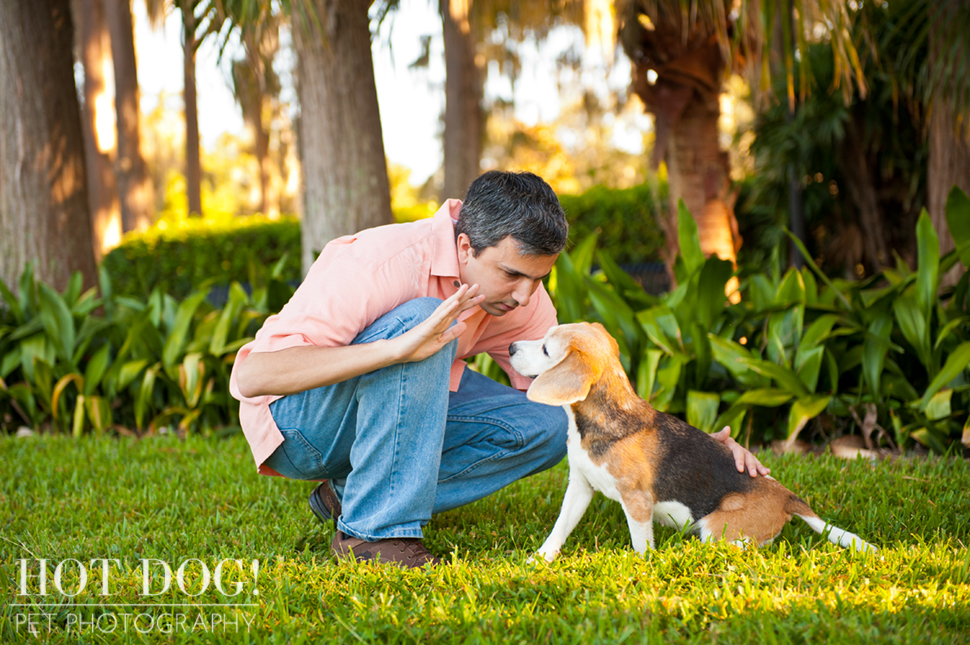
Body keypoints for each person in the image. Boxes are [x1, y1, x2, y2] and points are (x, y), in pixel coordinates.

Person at [230, 170, 767, 569]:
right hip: (299, 426)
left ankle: (352, 494)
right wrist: (396, 349)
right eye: (512, 275)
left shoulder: (521, 297)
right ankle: (374, 534)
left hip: (384, 411)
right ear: (465, 246)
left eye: (538, 278)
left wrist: (701, 447)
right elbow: (251, 379)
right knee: (422, 324)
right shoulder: (377, 263)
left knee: (547, 424)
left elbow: (592, 402)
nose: (527, 295)